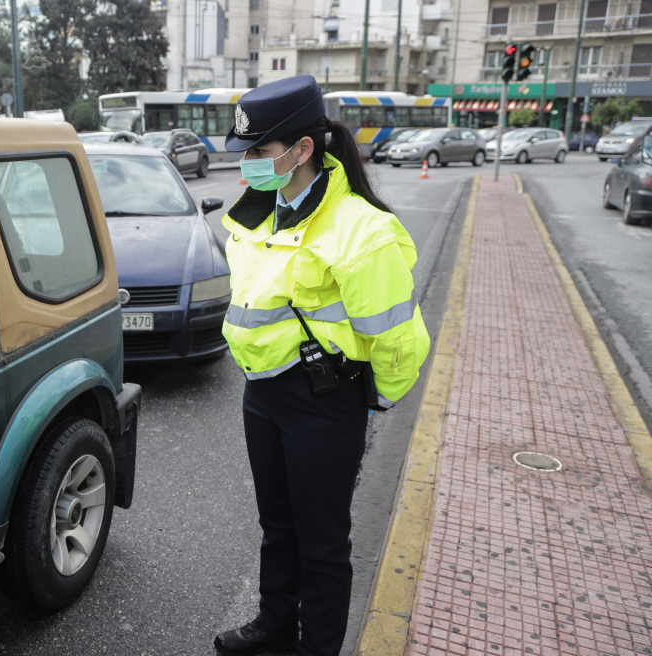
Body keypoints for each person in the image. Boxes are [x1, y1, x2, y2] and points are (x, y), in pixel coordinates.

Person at [213, 75, 430, 656]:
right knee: (277, 526)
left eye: (258, 152)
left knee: (323, 542)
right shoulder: (257, 214)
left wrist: (366, 398)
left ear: (302, 149)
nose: (247, 166)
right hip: (262, 394)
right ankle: (275, 623)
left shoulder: (362, 230)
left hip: (324, 400)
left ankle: (319, 647)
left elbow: (394, 337)